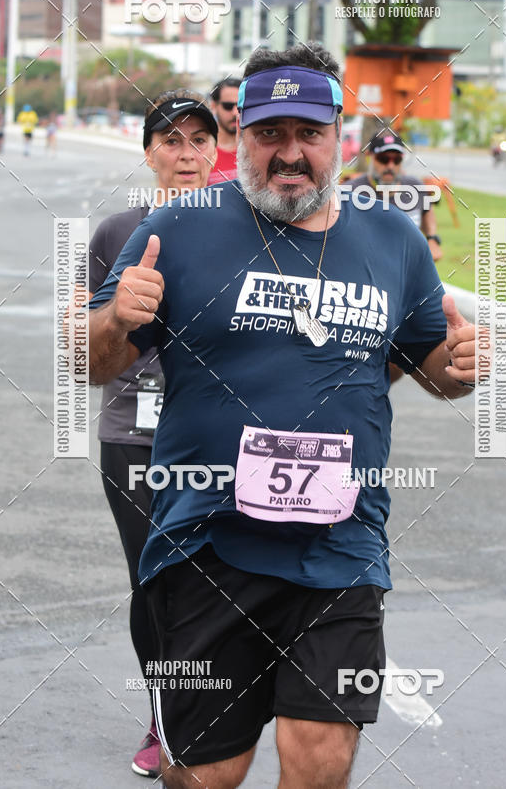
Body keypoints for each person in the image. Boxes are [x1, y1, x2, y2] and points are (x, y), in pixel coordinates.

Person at [88, 42, 480, 789]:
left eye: (310, 132)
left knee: (320, 759)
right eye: (270, 133)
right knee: (205, 775)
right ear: (244, 139)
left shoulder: (392, 238)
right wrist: (113, 324)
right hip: (208, 542)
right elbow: (93, 360)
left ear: (340, 135)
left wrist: (457, 370)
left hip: (342, 546)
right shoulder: (184, 227)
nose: (290, 153)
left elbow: (433, 362)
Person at [88, 89, 218, 779]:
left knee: (210, 584)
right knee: (153, 587)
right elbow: (82, 348)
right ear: (149, 153)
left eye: (200, 139)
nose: (187, 152)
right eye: (172, 139)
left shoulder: (248, 230)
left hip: (217, 442)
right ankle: (166, 714)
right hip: (133, 438)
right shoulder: (115, 233)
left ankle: (204, 706)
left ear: (217, 151)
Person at [350, 131, 442, 262]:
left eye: (397, 160)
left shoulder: (416, 187)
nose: (390, 166)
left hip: (408, 272)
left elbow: (427, 211)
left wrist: (432, 238)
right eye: (383, 159)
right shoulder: (350, 192)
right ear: (369, 156)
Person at [209, 77, 240, 183]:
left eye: (240, 106)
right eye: (228, 106)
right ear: (213, 106)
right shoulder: (202, 152)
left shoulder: (257, 149)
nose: (235, 112)